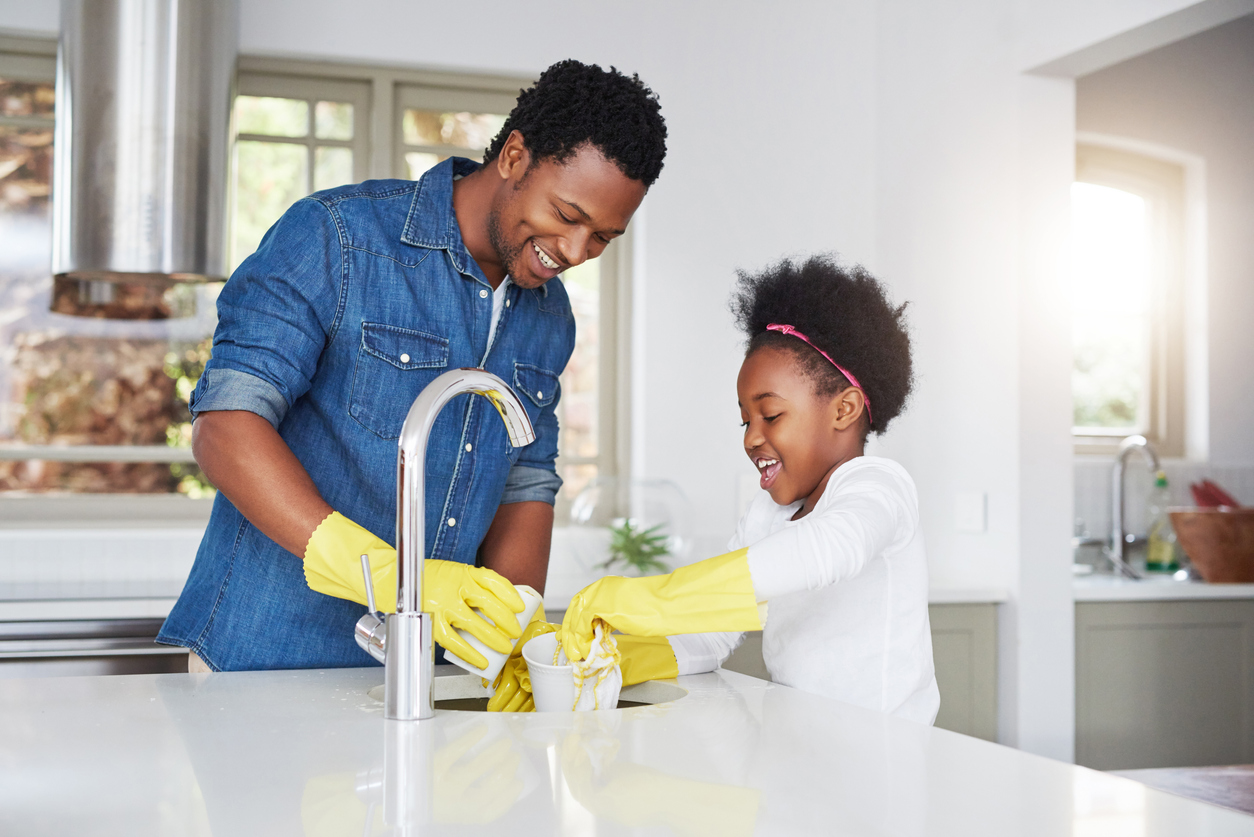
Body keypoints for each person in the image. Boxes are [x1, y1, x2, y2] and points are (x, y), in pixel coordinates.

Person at [157, 60, 668, 672]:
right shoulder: (339, 238)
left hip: (422, 678)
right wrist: (394, 580)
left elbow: (526, 479)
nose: (576, 252)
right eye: (566, 215)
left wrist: (510, 632)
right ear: (513, 156)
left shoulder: (550, 317)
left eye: (603, 238)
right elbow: (226, 423)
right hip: (265, 658)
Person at [495, 255, 938, 723]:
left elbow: (827, 550)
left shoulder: (878, 486)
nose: (750, 437)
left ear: (844, 409)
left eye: (770, 415)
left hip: (884, 763)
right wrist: (599, 665)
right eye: (746, 420)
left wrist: (645, 599)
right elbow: (710, 635)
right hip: (804, 756)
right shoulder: (768, 514)